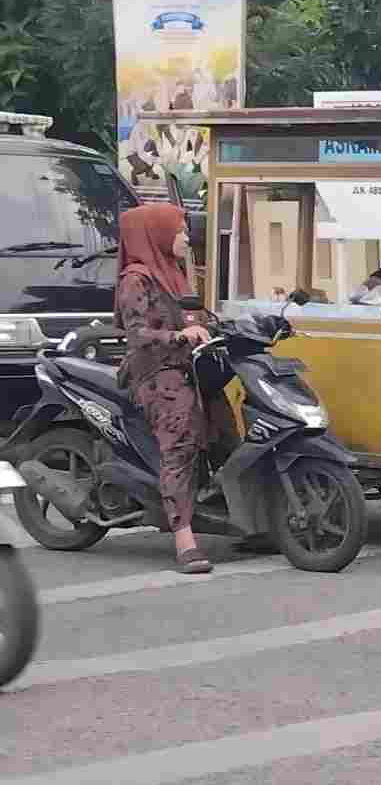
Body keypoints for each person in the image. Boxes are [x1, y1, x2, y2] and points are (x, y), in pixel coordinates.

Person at [114, 204, 214, 575]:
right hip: (156, 373)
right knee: (180, 444)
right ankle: (184, 537)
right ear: (157, 233)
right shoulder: (136, 279)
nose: (187, 238)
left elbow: (196, 316)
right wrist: (178, 336)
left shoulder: (174, 272)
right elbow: (137, 334)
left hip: (188, 366)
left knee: (223, 429)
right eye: (180, 231)